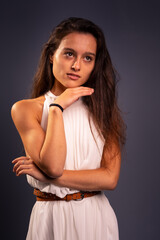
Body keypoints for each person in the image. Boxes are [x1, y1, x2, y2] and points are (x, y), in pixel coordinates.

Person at [11, 17, 126, 240]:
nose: (76, 65)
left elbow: (110, 178)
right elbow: (53, 166)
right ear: (52, 55)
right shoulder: (25, 109)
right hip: (49, 217)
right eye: (69, 53)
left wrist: (48, 178)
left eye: (88, 58)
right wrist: (56, 108)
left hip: (95, 217)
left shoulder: (103, 109)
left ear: (95, 65)